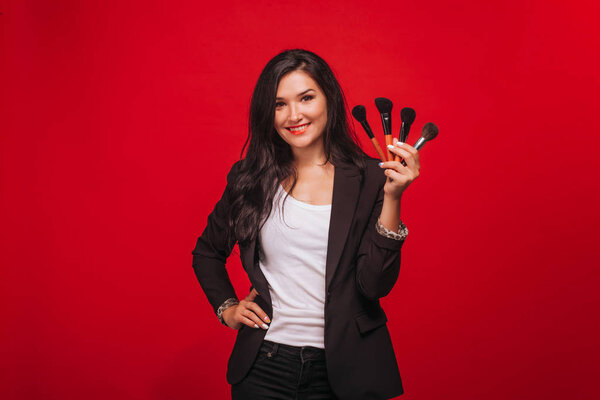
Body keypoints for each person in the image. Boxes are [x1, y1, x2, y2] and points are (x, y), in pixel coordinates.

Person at [192, 49, 421, 400]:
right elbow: (207, 252)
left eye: (306, 98)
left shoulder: (371, 178)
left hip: (347, 370)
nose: (293, 115)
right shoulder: (250, 179)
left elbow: (374, 285)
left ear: (328, 98)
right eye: (279, 104)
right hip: (264, 366)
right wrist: (228, 309)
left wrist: (393, 197)